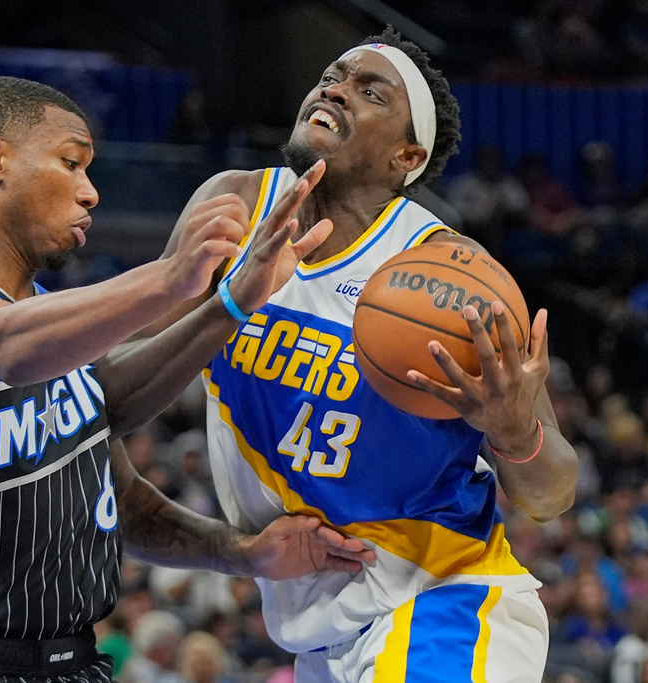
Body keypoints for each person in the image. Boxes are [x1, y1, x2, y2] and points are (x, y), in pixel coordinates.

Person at [0, 76, 374, 683]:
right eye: (70, 163)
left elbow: (122, 502)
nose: (90, 192)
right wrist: (171, 278)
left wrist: (240, 553)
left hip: (77, 663)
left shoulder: (55, 327)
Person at [155, 28, 579, 682]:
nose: (336, 88)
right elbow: (126, 373)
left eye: (369, 90)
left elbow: (553, 492)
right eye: (334, 74)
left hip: (441, 601)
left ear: (406, 155)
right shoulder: (235, 205)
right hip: (317, 632)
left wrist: (516, 430)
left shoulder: (452, 276)